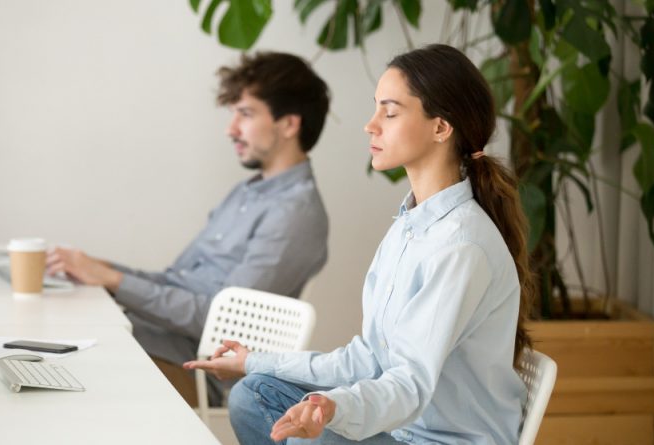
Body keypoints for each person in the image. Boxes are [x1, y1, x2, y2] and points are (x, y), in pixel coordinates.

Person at [183, 44, 536, 444]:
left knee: (275, 413)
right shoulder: (408, 227)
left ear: (440, 127)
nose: (371, 125)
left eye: (389, 112)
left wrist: (335, 408)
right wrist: (254, 360)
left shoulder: (461, 246)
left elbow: (410, 384)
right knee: (255, 390)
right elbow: (368, 358)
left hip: (434, 440)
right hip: (400, 429)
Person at [46, 51, 331, 406]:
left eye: (245, 114)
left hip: (195, 372)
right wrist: (99, 269)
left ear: (289, 124)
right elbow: (176, 280)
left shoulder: (295, 214)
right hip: (156, 341)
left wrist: (113, 281)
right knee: (48, 336)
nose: (231, 130)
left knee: (65, 366)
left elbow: (225, 325)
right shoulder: (247, 192)